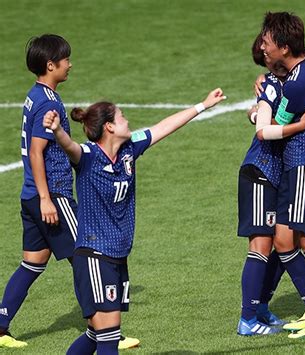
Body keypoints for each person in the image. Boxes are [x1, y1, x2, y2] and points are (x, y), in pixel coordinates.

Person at [43, 88, 225, 354]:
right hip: (95, 255)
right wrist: (58, 131)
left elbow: (163, 127)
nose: (127, 120)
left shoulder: (129, 149)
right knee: (109, 334)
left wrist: (203, 106)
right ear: (109, 127)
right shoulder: (88, 156)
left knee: (96, 334)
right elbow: (69, 147)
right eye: (122, 116)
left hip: (117, 255)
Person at [0, 34, 139, 350]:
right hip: (52, 195)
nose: (70, 64)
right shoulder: (49, 102)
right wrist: (48, 198)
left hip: (30, 195)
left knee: (32, 262)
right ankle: (105, 329)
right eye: (66, 60)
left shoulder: (35, 95)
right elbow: (37, 152)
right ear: (51, 65)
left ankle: (0, 324)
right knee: (87, 254)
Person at [237, 34, 305, 336]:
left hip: (276, 175)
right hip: (260, 173)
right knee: (261, 247)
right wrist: (300, 125)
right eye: (264, 55)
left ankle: (261, 308)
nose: (269, 56)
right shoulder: (272, 86)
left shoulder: (287, 81)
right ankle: (247, 320)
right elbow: (263, 130)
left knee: (281, 241)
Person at [257, 12, 305, 339]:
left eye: (268, 42)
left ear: (285, 48)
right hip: (300, 165)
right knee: (284, 239)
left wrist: (260, 100)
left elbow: (271, 129)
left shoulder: (298, 85)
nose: (263, 46)